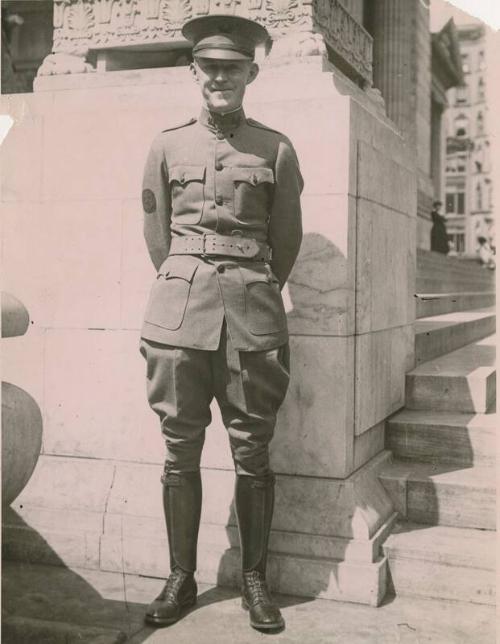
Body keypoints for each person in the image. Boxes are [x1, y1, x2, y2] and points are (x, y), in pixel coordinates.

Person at [139, 14, 303, 632]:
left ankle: (254, 579)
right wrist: (190, 280)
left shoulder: (276, 148)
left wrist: (251, 288)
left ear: (251, 74)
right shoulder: (165, 145)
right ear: (193, 72)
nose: (219, 78)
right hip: (178, 320)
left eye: (231, 69)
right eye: (209, 68)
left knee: (252, 452)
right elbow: (158, 237)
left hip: (252, 317)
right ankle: (181, 577)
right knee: (179, 451)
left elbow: (285, 240)